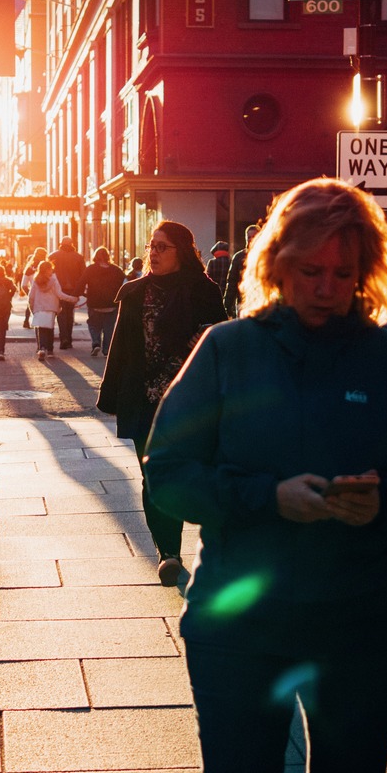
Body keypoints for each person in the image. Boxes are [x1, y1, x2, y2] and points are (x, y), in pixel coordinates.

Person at [144, 178, 387, 773]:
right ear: (278, 264)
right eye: (311, 271)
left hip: (360, 624)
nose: (327, 287)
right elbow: (169, 472)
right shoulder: (227, 350)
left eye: (344, 273)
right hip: (240, 625)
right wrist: (266, 497)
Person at [96, 220, 226, 583]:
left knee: (187, 475)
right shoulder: (134, 292)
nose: (152, 253)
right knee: (153, 477)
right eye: (151, 246)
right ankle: (167, 552)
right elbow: (120, 348)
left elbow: (217, 343)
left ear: (181, 251)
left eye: (161, 246)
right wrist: (112, 396)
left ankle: (202, 542)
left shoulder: (203, 290)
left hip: (191, 403)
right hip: (145, 400)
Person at [25, 258, 75, 362]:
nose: (52, 270)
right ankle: (50, 350)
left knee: (41, 329)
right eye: (51, 268)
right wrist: (72, 299)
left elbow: (31, 296)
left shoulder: (36, 280)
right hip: (51, 308)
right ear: (48, 269)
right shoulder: (53, 280)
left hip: (38, 308)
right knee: (49, 329)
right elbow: (60, 294)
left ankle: (42, 348)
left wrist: (32, 308)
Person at [82, 246, 126, 357]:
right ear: (108, 257)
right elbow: (125, 284)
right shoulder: (116, 270)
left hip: (94, 303)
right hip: (111, 303)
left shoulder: (90, 269)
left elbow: (81, 282)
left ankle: (96, 342)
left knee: (93, 324)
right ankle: (107, 350)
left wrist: (76, 295)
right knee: (109, 327)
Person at [50, 237, 87, 350]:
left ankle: (63, 339)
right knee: (70, 314)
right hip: (73, 290)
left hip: (58, 289)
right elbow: (83, 276)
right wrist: (80, 291)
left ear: (61, 244)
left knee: (61, 314)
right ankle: (68, 339)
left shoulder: (53, 256)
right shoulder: (79, 257)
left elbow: (48, 273)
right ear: (72, 244)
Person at [223, 223, 260, 317]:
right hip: (243, 301)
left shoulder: (265, 256)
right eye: (249, 237)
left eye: (253, 236)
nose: (251, 239)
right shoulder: (239, 257)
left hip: (260, 301)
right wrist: (227, 304)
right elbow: (232, 281)